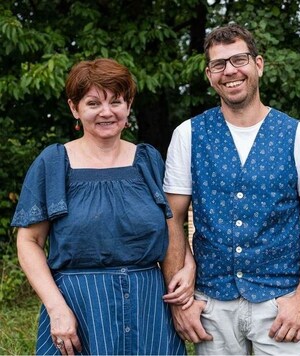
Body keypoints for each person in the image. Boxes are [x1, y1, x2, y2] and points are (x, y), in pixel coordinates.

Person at [163, 23, 300, 355]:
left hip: (280, 303)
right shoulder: (188, 135)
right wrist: (181, 300)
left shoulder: (299, 136)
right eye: (219, 64)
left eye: (238, 59)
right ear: (209, 75)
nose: (230, 71)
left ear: (258, 64)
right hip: (213, 305)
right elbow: (172, 216)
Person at [11, 58, 187, 355]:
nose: (106, 112)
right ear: (74, 108)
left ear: (128, 105)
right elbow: (29, 241)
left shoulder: (148, 161)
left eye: (116, 101)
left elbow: (172, 227)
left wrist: (186, 273)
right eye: (93, 103)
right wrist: (57, 309)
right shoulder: (54, 163)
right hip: (78, 308)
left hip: (148, 307)